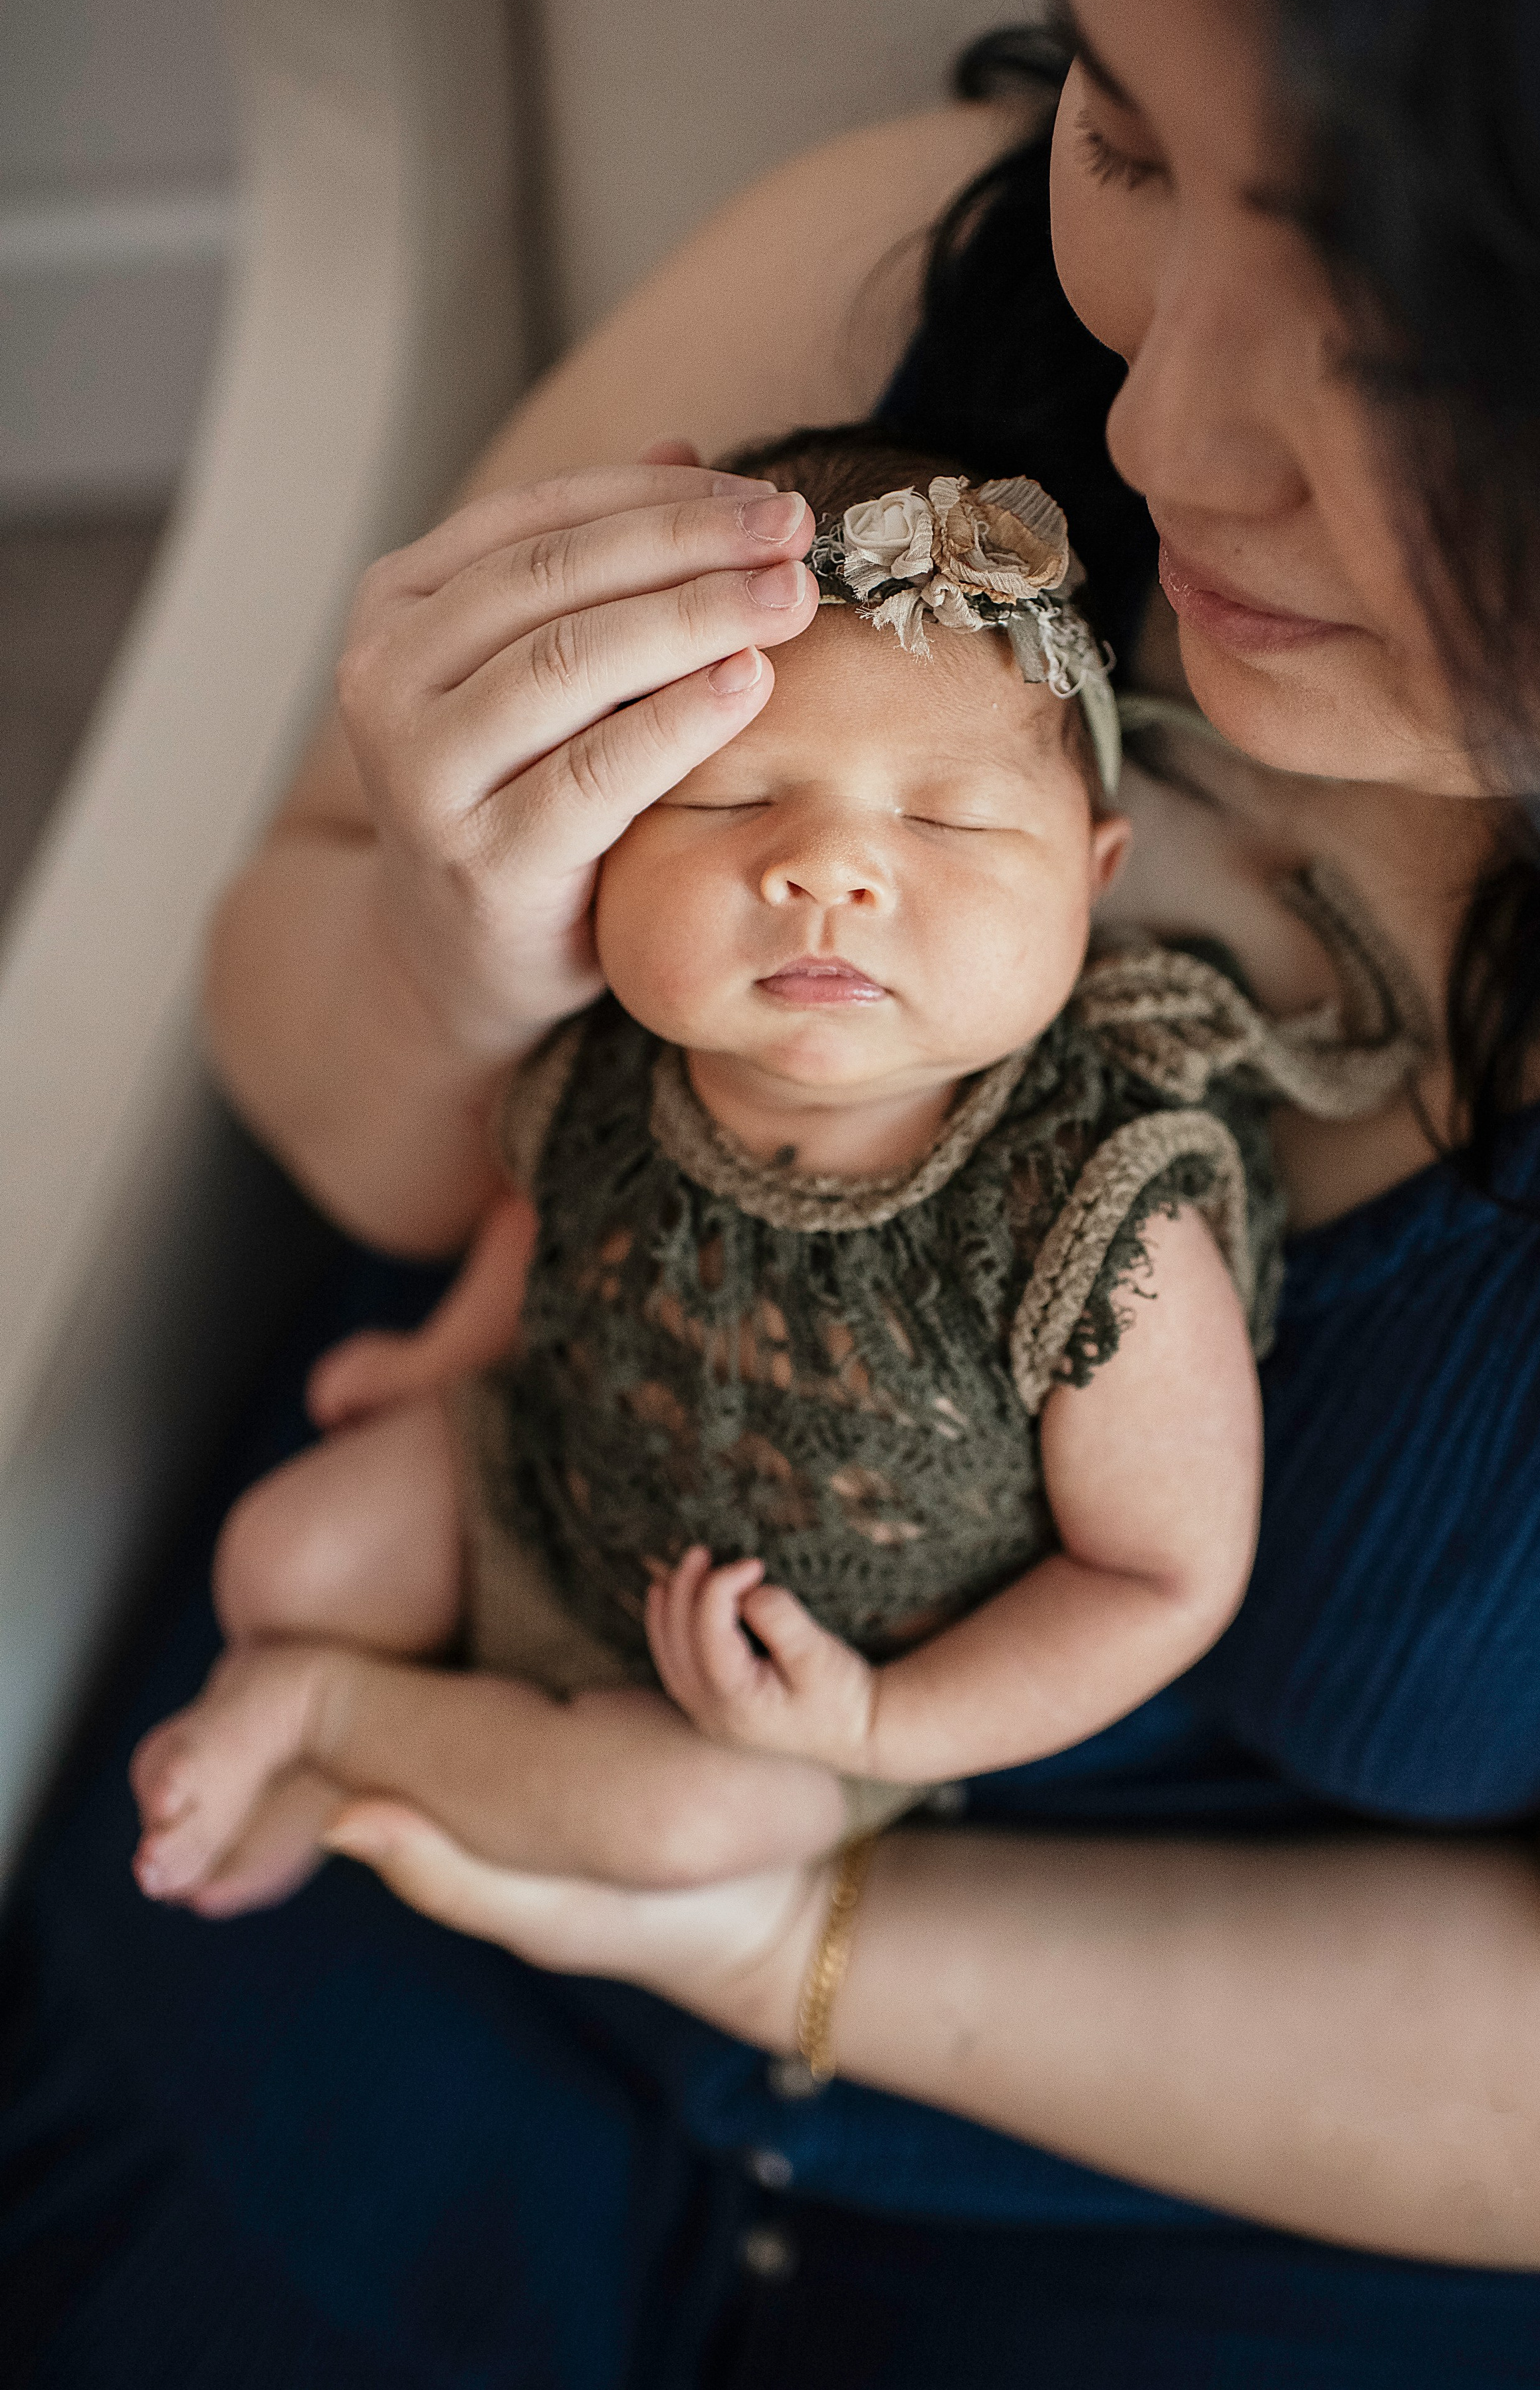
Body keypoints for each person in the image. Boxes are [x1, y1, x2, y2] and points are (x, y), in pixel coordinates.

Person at [7, 0, 1540, 2381]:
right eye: (1130, 142)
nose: (1158, 426)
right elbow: (376, 1157)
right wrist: (456, 940)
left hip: (1247, 2205)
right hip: (397, 1881)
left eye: (1410, 333)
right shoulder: (882, 360)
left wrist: (765, 1910)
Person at [127, 431, 1416, 1923]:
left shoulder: (1096, 1217)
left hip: (790, 1687)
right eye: (731, 802)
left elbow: (1156, 1580)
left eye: (945, 819)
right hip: (542, 1474)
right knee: (282, 1553)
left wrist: (874, 1725)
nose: (829, 873)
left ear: (1094, 875)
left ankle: (329, 1722)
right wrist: (444, 1358)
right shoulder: (620, 1058)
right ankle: (326, 1746)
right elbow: (547, 1215)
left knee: (686, 1821)